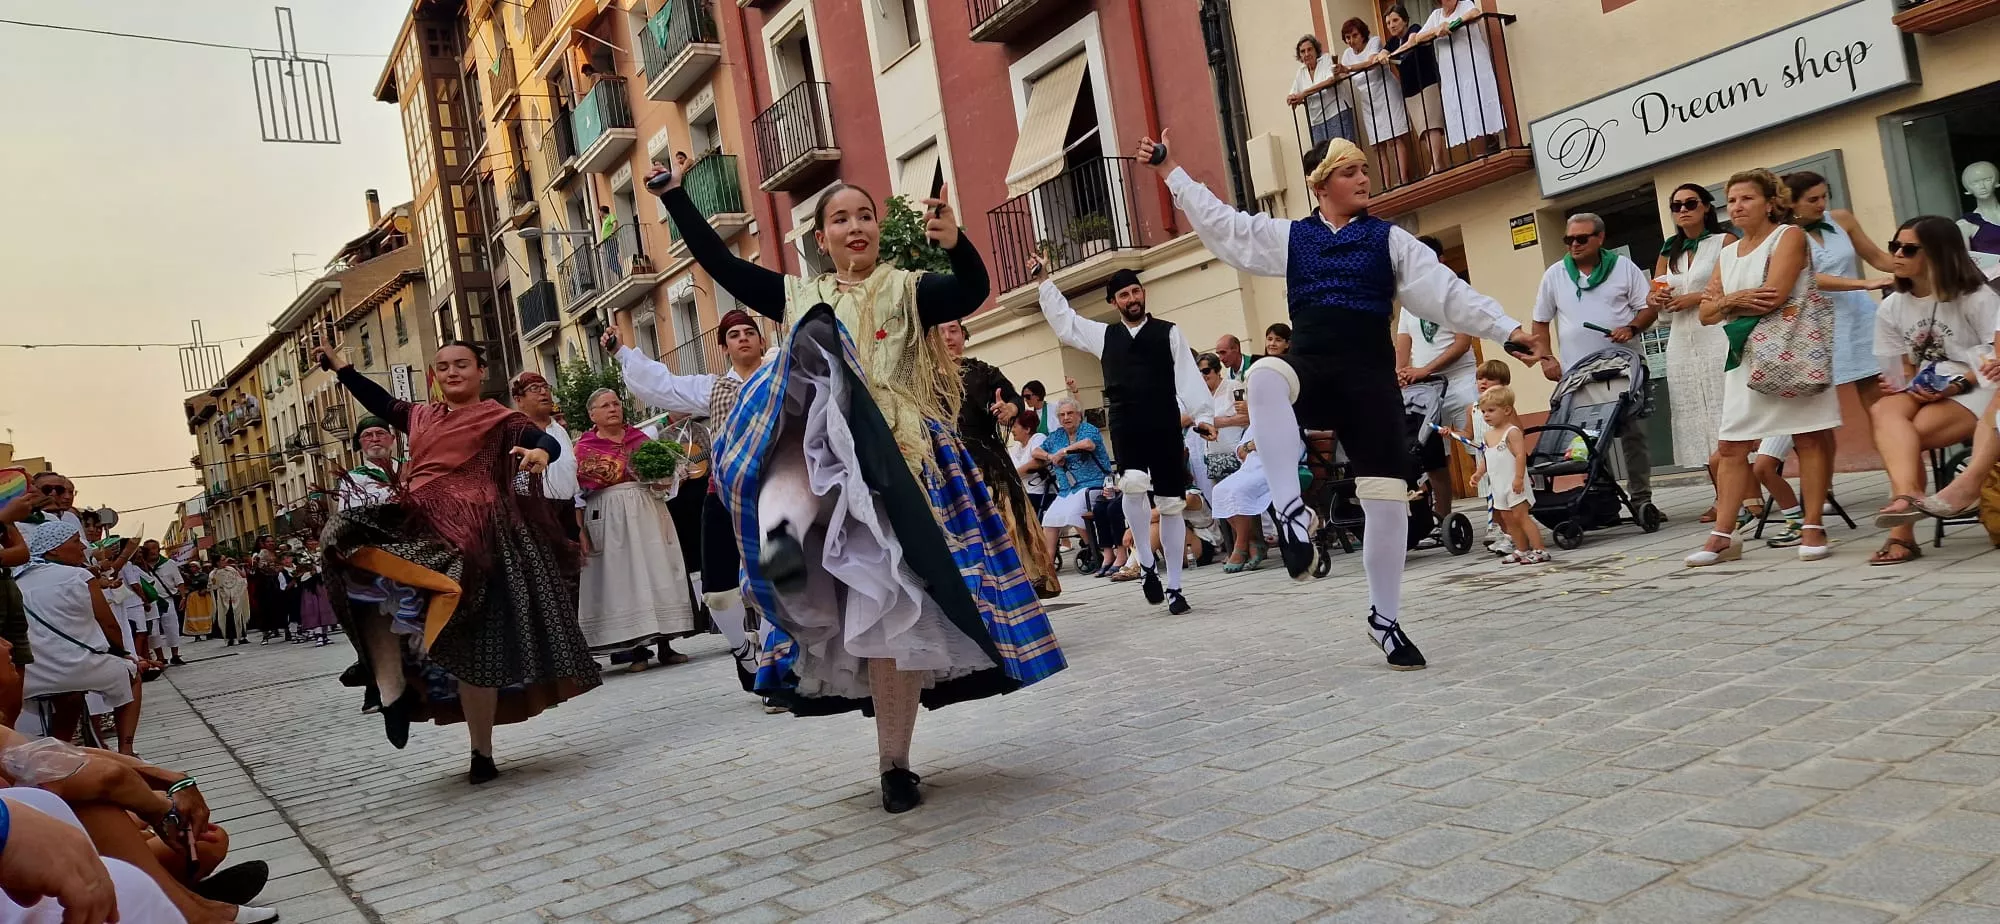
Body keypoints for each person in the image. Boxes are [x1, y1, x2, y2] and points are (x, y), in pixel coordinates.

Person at [650, 155, 1064, 814]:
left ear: (877, 227)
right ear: (821, 238)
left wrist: (955, 243)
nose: (855, 226)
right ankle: (769, 621)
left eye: (865, 215)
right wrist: (674, 198)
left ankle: (894, 764)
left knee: (894, 612)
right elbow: (723, 269)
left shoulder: (908, 287)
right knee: (841, 588)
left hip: (909, 466)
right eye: (840, 218)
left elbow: (968, 293)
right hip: (829, 474)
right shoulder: (795, 297)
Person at [1147, 132, 1542, 671]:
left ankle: (1385, 620)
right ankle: (1289, 512)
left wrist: (1507, 328)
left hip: (1370, 377)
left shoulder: (1389, 240)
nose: (1363, 178)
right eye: (1351, 171)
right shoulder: (1290, 237)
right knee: (1263, 374)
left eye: (1364, 169)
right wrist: (1172, 169)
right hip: (1311, 366)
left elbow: (1447, 292)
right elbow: (1223, 226)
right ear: (1321, 183)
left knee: (1386, 498)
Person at [314, 340, 599, 785]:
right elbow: (380, 401)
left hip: (478, 534)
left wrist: (544, 452)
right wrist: (344, 370)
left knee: (476, 645)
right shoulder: (421, 416)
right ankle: (388, 683)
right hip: (420, 519)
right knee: (341, 541)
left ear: (480, 371)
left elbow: (538, 439)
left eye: (461, 365)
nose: (452, 373)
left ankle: (480, 753)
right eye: (443, 366)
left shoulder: (501, 419)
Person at [1034, 263, 1215, 615]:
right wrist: (1044, 282)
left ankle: (1175, 586)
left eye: (1135, 291)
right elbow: (1066, 322)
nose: (1131, 298)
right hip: (1126, 421)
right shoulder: (1104, 336)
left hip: (1163, 420)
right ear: (1114, 302)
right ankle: (1147, 565)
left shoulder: (1169, 333)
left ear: (1142, 294)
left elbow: (1188, 377)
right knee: (1132, 483)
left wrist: (1204, 417)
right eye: (1123, 295)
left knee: (1170, 504)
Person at [608, 309, 770, 695]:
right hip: (725, 492)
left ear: (762, 341)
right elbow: (661, 385)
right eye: (734, 334)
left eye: (750, 332)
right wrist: (620, 352)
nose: (743, 338)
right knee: (717, 593)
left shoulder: (779, 376)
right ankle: (743, 649)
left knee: (777, 582)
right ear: (724, 347)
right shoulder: (712, 388)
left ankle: (775, 667)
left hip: (775, 491)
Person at [1688, 168, 1838, 567]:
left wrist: (1723, 304)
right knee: (1732, 446)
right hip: (1746, 360)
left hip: (1791, 351)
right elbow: (1704, 314)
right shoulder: (1726, 252)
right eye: (1732, 200)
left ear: (1771, 201)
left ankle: (1812, 525)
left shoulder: (1788, 236)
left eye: (1746, 198)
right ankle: (1723, 535)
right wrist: (1734, 299)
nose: (1736, 206)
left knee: (1808, 438)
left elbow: (1773, 296)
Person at [1865, 217, 2000, 564]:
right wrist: (1905, 385)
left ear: (1939, 254)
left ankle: (1902, 534)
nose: (1897, 254)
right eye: (1894, 246)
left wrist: (1956, 385)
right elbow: (1902, 372)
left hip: (1978, 385)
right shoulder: (1892, 305)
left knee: (1906, 437)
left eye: (1908, 249)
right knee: (1884, 410)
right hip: (1929, 388)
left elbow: (1993, 362)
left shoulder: (1975, 297)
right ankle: (1909, 497)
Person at [1534, 212, 1660, 511]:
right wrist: (1546, 358)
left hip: (1624, 368)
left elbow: (1648, 309)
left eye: (1581, 238)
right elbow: (1540, 322)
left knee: (1633, 435)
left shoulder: (1623, 268)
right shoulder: (1555, 274)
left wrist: (1631, 328)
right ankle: (1604, 499)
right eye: (1568, 240)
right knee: (1587, 438)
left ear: (1600, 238)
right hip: (1579, 372)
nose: (1574, 245)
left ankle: (1642, 498)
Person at [573, 387, 698, 669]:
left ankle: (667, 645)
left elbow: (664, 476)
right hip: (610, 516)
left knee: (657, 572)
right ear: (592, 414)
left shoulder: (640, 439)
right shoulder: (584, 448)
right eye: (605, 405)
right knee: (625, 581)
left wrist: (668, 476)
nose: (613, 408)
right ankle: (637, 651)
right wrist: (579, 529)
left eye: (616, 403)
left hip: (648, 509)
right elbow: (577, 493)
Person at [941, 321, 1060, 599]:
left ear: (964, 336)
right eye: (941, 331)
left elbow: (1013, 398)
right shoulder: (918, 377)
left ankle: (1021, 606)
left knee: (1008, 534)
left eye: (954, 330)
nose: (948, 337)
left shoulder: (983, 372)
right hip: (945, 468)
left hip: (989, 466)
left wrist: (1010, 408)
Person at [12, 521, 139, 751]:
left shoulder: (16, 581)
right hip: (80, 668)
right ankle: (127, 749)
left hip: (34, 677)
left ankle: (60, 751)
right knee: (132, 674)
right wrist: (124, 654)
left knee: (69, 697)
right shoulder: (78, 576)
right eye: (75, 541)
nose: (83, 547)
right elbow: (109, 625)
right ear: (54, 549)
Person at [1652, 184, 1737, 522]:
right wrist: (1655, 299)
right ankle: (1721, 497)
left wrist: (1697, 297)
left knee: (1723, 410)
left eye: (1690, 203)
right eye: (1677, 206)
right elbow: (1656, 289)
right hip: (1681, 340)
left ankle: (1749, 495)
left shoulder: (1725, 242)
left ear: (1706, 207)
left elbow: (1734, 285)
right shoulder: (1669, 249)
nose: (1683, 210)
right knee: (1697, 417)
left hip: (1715, 332)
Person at [1789, 171, 1894, 407]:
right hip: (1816, 322)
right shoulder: (1784, 235)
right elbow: (1806, 277)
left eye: (1824, 196)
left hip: (1859, 316)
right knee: (1814, 406)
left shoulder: (1841, 219)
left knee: (1877, 397)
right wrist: (1864, 283)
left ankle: (1886, 442)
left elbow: (1876, 257)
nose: (1822, 204)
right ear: (1791, 203)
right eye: (1812, 199)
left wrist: (1916, 264)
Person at [1396, 234, 1478, 525]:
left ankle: (1500, 518)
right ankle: (1443, 517)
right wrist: (1401, 371)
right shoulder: (1408, 301)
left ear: (1440, 260)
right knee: (1431, 456)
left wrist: (1424, 369)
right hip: (1426, 391)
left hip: (1461, 381)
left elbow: (1462, 342)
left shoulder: (1455, 292)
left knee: (1478, 447)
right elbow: (1404, 341)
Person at [1471, 387, 1549, 565]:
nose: (1486, 415)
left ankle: (1540, 549)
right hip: (1498, 485)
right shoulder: (1488, 435)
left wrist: (1519, 478)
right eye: (1483, 411)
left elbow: (1520, 455)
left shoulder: (1512, 432)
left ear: (1506, 410)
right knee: (1508, 519)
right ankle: (1521, 549)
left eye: (1491, 410)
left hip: (1514, 483)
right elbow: (1487, 457)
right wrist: (1479, 473)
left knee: (1521, 517)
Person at [1038, 399, 1115, 578]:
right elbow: (1037, 451)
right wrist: (1050, 456)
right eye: (1062, 415)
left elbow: (1088, 444)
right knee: (1049, 518)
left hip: (1094, 484)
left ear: (1079, 415)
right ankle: (1048, 565)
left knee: (1074, 511)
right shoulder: (1057, 435)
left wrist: (1063, 452)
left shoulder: (1087, 429)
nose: (1066, 417)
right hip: (1067, 490)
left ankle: (1095, 550)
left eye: (1070, 413)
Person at [1418, 0, 1505, 153]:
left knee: (1479, 102)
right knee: (1465, 109)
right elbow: (1418, 38)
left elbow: (1474, 13)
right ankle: (1480, 152)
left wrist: (1453, 24)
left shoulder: (1465, 5)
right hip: (1452, 74)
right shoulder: (1436, 16)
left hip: (1473, 67)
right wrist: (1437, 30)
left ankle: (1492, 142)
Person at [509, 373, 582, 545]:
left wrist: (580, 529)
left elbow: (571, 481)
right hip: (530, 518)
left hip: (566, 514)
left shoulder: (560, 431)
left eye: (545, 388)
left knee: (571, 569)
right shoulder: (513, 432)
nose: (543, 393)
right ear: (519, 399)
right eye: (534, 389)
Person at [1338, 18, 1411, 187]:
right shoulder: (1347, 55)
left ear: (1362, 34)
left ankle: (1403, 180)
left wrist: (1347, 69)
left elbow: (1371, 63)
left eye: (1354, 35)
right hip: (1368, 101)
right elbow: (1342, 74)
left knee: (1396, 138)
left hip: (1386, 92)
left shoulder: (1374, 41)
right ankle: (1386, 185)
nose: (1351, 40)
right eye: (1348, 37)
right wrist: (1337, 72)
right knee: (1378, 145)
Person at [1381, 5, 1446, 178]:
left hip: (1426, 83)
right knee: (1423, 131)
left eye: (1395, 20)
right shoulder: (1393, 41)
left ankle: (1437, 165)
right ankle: (1438, 163)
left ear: (1405, 20)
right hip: (1410, 90)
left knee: (1432, 125)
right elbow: (1382, 53)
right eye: (1388, 23)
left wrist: (1390, 55)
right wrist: (1381, 55)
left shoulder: (1415, 28)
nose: (1391, 25)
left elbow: (1412, 42)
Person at [1288, 34, 1355, 156]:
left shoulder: (1326, 60)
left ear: (1316, 49)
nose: (1307, 54)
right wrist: (1291, 99)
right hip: (1316, 121)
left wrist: (1304, 94)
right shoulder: (1301, 72)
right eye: (1303, 51)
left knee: (1343, 154)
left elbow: (1330, 81)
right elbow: (1293, 93)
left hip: (1336, 112)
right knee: (1323, 159)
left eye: (1309, 49)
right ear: (1300, 56)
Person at [1008, 413, 1052, 526]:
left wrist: (1013, 475)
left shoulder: (1038, 438)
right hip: (1022, 492)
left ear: (1027, 429)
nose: (1012, 430)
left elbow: (1037, 462)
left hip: (1038, 492)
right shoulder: (1016, 448)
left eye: (1015, 426)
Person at [206, 558, 250, 648]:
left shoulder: (231, 569)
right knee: (228, 619)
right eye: (222, 560)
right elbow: (213, 586)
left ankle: (242, 636)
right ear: (217, 562)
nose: (225, 561)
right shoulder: (213, 573)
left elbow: (241, 579)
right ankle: (230, 638)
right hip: (223, 599)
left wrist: (236, 567)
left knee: (239, 617)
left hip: (235, 596)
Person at [598, 205, 621, 280]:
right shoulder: (605, 221)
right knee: (611, 262)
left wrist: (613, 232)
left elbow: (615, 223)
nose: (599, 214)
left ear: (602, 211)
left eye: (599, 212)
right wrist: (599, 243)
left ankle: (621, 274)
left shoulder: (611, 216)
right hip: (607, 242)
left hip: (611, 241)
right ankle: (620, 274)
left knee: (612, 261)